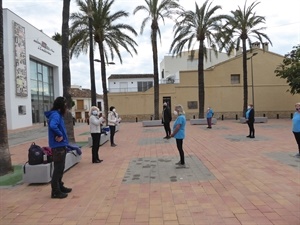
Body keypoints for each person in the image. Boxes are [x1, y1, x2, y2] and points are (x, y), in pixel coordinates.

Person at [44, 96, 72, 199]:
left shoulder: (57, 114)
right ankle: (55, 191)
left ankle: (60, 186)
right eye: (64, 104)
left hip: (61, 145)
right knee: (58, 168)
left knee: (61, 168)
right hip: (58, 146)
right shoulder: (55, 115)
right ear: (61, 105)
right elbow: (53, 126)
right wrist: (60, 135)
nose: (66, 106)